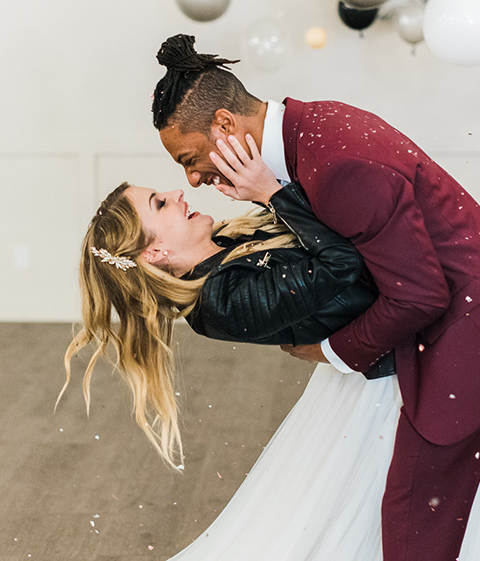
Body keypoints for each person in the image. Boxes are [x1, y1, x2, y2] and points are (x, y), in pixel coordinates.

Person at [152, 33, 480, 561]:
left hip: (464, 330)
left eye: (189, 158)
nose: (191, 178)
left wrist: (331, 353)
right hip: (448, 316)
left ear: (226, 126)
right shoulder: (318, 124)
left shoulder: (336, 164)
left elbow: (419, 297)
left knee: (415, 510)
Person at [57, 142, 384, 471]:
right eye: (160, 203)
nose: (177, 193)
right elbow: (341, 263)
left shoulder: (226, 244)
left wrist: (262, 190)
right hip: (395, 363)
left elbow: (318, 223)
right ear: (153, 253)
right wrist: (269, 195)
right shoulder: (220, 303)